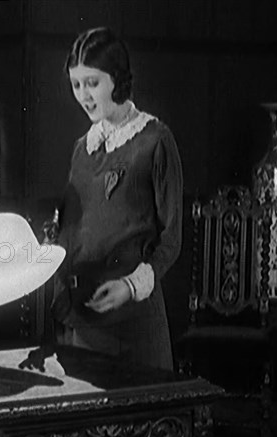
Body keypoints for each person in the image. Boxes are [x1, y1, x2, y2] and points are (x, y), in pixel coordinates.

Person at [47, 27, 183, 372]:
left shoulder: (155, 140)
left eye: (92, 83)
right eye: (76, 84)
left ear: (117, 79)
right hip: (84, 323)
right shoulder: (83, 149)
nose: (83, 96)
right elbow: (68, 231)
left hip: (136, 324)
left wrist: (130, 286)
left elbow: (171, 238)